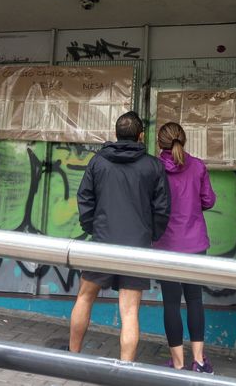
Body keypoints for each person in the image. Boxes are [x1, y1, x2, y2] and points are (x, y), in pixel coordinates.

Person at [70, 111, 170, 361]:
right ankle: (125, 368)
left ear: (116, 134)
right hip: (136, 246)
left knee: (84, 298)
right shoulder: (153, 166)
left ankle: (72, 357)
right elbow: (162, 209)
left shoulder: (98, 162)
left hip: (102, 242)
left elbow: (84, 198)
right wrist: (151, 235)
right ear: (141, 135)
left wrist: (93, 228)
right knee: (130, 311)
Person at [153, 122, 216, 373]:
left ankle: (178, 363)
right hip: (195, 243)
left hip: (166, 244)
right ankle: (199, 361)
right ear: (184, 140)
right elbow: (208, 200)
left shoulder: (154, 168)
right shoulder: (198, 166)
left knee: (171, 303)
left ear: (160, 143)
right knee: (195, 300)